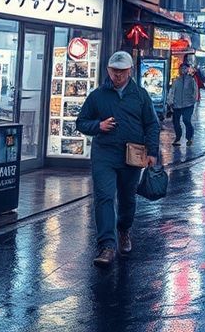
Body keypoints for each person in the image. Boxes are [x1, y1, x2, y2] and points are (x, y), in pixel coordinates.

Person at [75, 51, 160, 268]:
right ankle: (107, 246)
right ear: (108, 70)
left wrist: (152, 152)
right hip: (104, 154)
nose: (118, 76)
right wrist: (98, 126)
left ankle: (123, 230)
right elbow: (81, 122)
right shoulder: (97, 96)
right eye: (114, 71)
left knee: (127, 199)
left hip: (132, 156)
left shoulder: (140, 95)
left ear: (130, 71)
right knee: (104, 197)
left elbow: (152, 124)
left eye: (122, 71)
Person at [167, 62, 199, 146]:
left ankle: (189, 138)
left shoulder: (191, 80)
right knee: (176, 122)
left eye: (185, 68)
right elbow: (172, 92)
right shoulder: (176, 80)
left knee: (186, 120)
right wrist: (170, 102)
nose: (183, 70)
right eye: (181, 68)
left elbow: (195, 91)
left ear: (188, 69)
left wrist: (193, 100)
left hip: (188, 105)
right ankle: (178, 138)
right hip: (177, 105)